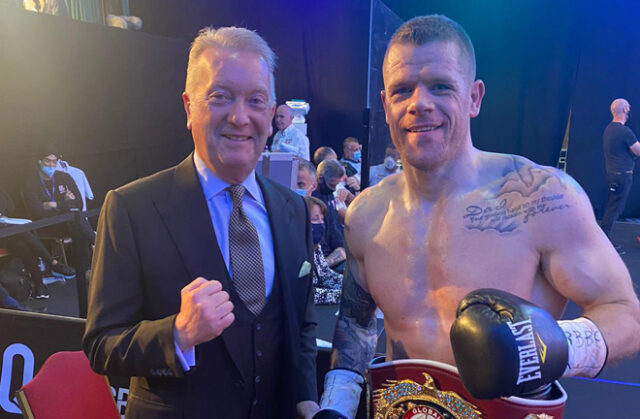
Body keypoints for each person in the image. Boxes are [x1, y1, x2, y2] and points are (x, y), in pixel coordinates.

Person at [315, 15, 640, 419]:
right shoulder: (365, 215)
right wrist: (337, 407)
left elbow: (624, 312)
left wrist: (553, 345)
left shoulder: (540, 197)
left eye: (440, 86)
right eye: (402, 90)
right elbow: (356, 327)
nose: (419, 103)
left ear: (474, 97)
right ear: (385, 105)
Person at [83, 26, 319, 419]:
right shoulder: (132, 208)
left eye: (256, 100)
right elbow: (101, 345)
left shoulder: (292, 208)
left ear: (273, 112)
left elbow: (304, 325)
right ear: (188, 107)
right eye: (220, 96)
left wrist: (306, 399)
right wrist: (177, 334)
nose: (240, 117)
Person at [22, 148, 93, 282]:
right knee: (78, 222)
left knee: (77, 222)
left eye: (54, 162)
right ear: (39, 162)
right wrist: (66, 204)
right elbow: (38, 212)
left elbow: (78, 203)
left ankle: (87, 269)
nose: (51, 165)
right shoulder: (31, 182)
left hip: (67, 222)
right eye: (47, 161)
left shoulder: (64, 177)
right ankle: (96, 244)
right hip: (46, 225)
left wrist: (54, 205)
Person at [1, 186, 75, 299]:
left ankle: (39, 285)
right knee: (23, 233)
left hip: (6, 232)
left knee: (22, 246)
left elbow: (10, 207)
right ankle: (52, 263)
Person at [600, 98, 640, 252]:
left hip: (612, 174)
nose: (629, 109)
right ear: (624, 109)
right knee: (615, 209)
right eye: (628, 107)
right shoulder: (624, 131)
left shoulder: (609, 129)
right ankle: (603, 242)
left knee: (613, 207)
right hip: (622, 175)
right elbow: (638, 151)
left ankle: (602, 238)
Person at [305, 196, 343, 305]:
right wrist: (343, 295)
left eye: (322, 219)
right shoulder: (291, 250)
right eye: (315, 219)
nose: (321, 223)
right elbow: (307, 294)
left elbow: (326, 275)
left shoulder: (316, 246)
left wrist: (353, 286)